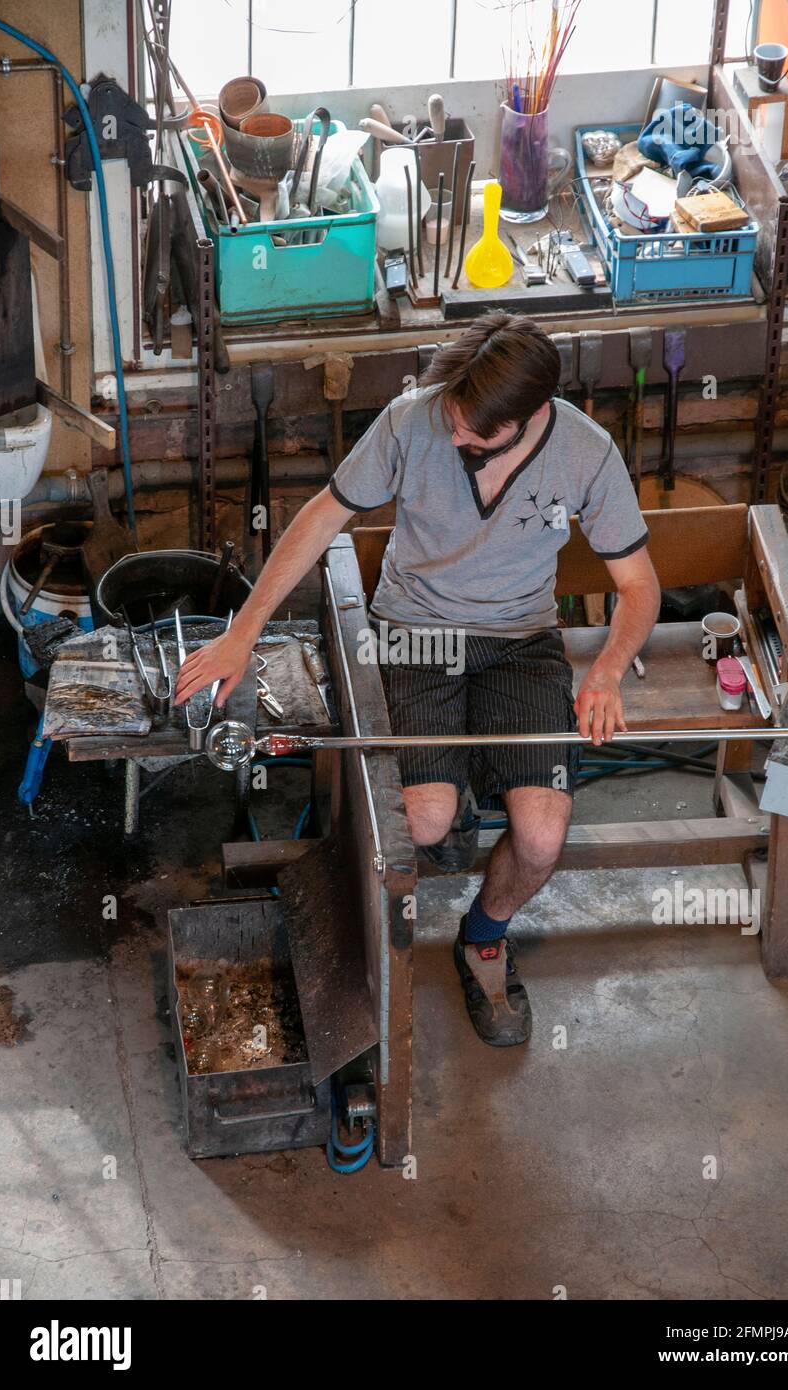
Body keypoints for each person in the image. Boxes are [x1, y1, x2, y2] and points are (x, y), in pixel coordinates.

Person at [176, 311, 660, 1047]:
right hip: (412, 631)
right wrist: (241, 633)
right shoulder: (413, 420)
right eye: (454, 420)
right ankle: (449, 804)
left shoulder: (586, 453)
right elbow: (318, 519)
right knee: (425, 821)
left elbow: (639, 587)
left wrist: (607, 672)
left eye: (474, 433)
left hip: (519, 641)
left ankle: (484, 934)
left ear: (530, 415)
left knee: (539, 839)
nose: (456, 437)